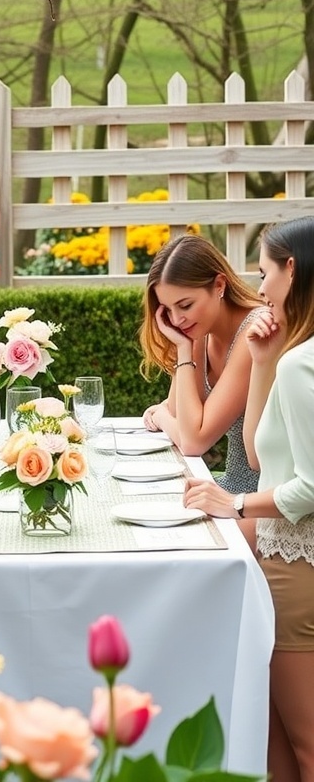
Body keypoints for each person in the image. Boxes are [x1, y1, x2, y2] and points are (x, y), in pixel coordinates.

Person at [184, 217, 314, 782]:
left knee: (304, 742)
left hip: (294, 565)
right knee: (273, 738)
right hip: (284, 556)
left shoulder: (303, 363)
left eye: (264, 272)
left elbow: (309, 486)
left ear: (291, 269)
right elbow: (261, 459)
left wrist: (233, 505)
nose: (258, 289)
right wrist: (262, 361)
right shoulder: (291, 358)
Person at [140, 233, 263, 495]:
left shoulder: (255, 330)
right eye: (167, 309)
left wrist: (161, 416)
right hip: (229, 488)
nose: (176, 319)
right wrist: (187, 345)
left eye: (185, 305)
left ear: (219, 285)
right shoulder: (201, 331)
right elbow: (179, 413)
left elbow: (193, 441)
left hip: (260, 499)